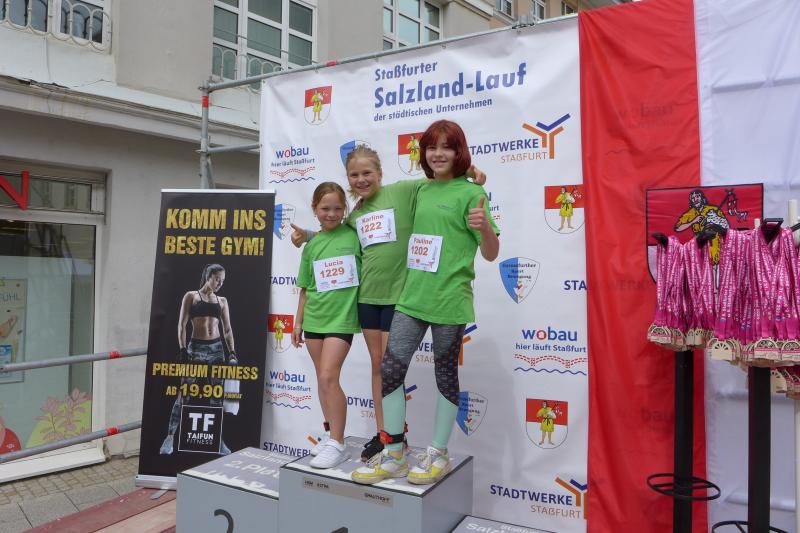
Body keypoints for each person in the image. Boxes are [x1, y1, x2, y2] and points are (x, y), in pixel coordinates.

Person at [291, 146, 486, 462]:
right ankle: (385, 434)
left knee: (389, 369)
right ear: (348, 179)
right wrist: (309, 236)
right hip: (368, 299)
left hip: (401, 298)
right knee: (376, 365)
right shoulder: (355, 215)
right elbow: (334, 234)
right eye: (354, 175)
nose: (361, 179)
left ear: (380, 173)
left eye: (367, 173)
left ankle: (396, 436)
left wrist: (469, 171)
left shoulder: (403, 191)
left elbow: (438, 179)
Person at [352, 119, 499, 485]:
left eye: (447, 147)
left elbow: (492, 253)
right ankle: (395, 453)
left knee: (444, 374)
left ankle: (438, 452)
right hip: (412, 299)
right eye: (432, 147)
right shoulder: (422, 190)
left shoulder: (472, 194)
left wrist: (483, 226)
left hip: (450, 301)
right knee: (390, 370)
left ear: (459, 151)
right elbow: (379, 199)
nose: (438, 154)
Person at [292, 182, 361, 469]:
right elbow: (305, 288)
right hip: (314, 319)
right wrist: (298, 322)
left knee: (329, 377)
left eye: (337, 208)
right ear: (315, 209)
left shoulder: (355, 235)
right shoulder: (312, 245)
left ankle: (338, 443)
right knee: (322, 380)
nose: (331, 214)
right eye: (325, 208)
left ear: (345, 209)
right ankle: (330, 433)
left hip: (342, 319)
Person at [159, 264, 236, 456]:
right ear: (208, 276)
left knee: (216, 395)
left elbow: (227, 329)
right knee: (184, 393)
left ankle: (218, 440)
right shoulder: (191, 296)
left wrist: (232, 352)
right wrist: (182, 349)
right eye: (217, 279)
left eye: (223, 280)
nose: (220, 283)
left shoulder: (222, 301)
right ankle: (169, 438)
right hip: (196, 349)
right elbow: (182, 325)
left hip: (217, 350)